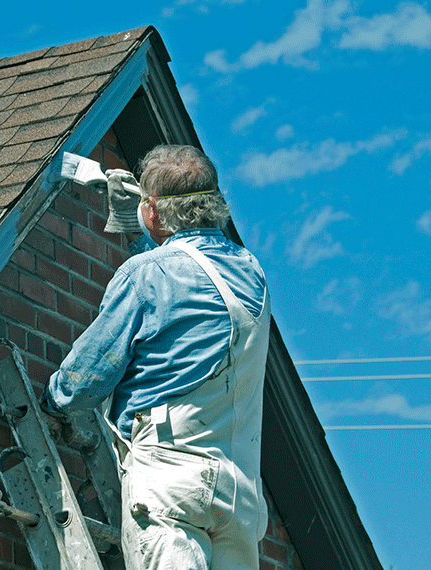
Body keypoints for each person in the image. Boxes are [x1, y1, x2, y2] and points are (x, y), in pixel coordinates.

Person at [42, 144, 271, 570]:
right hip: (238, 491)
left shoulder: (146, 274)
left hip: (171, 478)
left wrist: (53, 401)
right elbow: (184, 291)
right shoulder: (250, 271)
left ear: (153, 210)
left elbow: (87, 376)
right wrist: (143, 230)